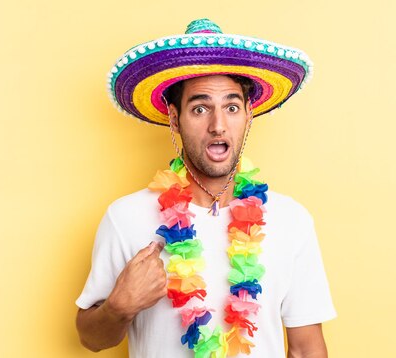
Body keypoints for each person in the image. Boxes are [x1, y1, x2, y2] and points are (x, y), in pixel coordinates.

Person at [75, 19, 336, 357]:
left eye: (231, 107)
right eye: (200, 108)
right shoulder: (125, 218)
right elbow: (92, 339)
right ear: (174, 118)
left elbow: (306, 350)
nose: (218, 125)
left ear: (248, 115)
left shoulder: (291, 220)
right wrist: (119, 307)